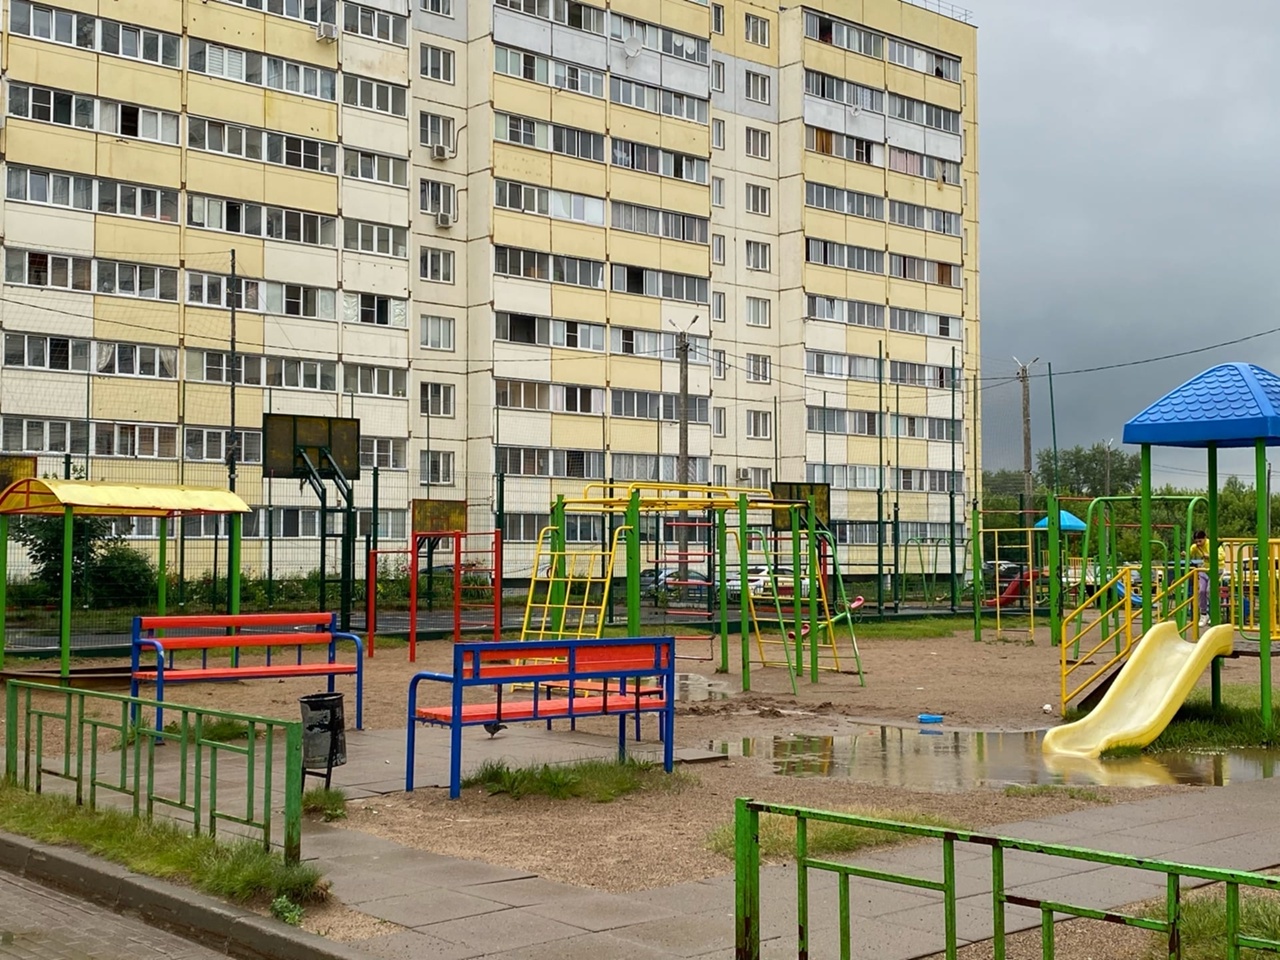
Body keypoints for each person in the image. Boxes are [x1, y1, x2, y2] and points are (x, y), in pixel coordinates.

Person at [1189, 530, 1222, 627]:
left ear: (1205, 538)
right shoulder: (1195, 547)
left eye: (1200, 541)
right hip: (1205, 569)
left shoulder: (1212, 544)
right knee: (1202, 591)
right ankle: (1204, 614)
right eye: (1196, 541)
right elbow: (1190, 552)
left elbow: (1222, 556)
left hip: (1217, 569)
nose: (1198, 543)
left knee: (1209, 591)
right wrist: (1186, 554)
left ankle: (1214, 614)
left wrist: (1210, 556)